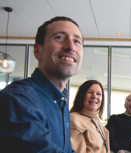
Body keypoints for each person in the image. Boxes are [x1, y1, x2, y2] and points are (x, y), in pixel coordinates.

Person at [0, 16, 83, 152]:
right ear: (37, 51)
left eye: (77, 41)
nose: (71, 47)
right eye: (59, 38)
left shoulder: (60, 102)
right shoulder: (19, 97)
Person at [70, 80, 110, 153]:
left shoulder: (95, 119)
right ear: (81, 95)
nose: (94, 96)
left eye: (98, 94)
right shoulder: (73, 119)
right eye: (89, 92)